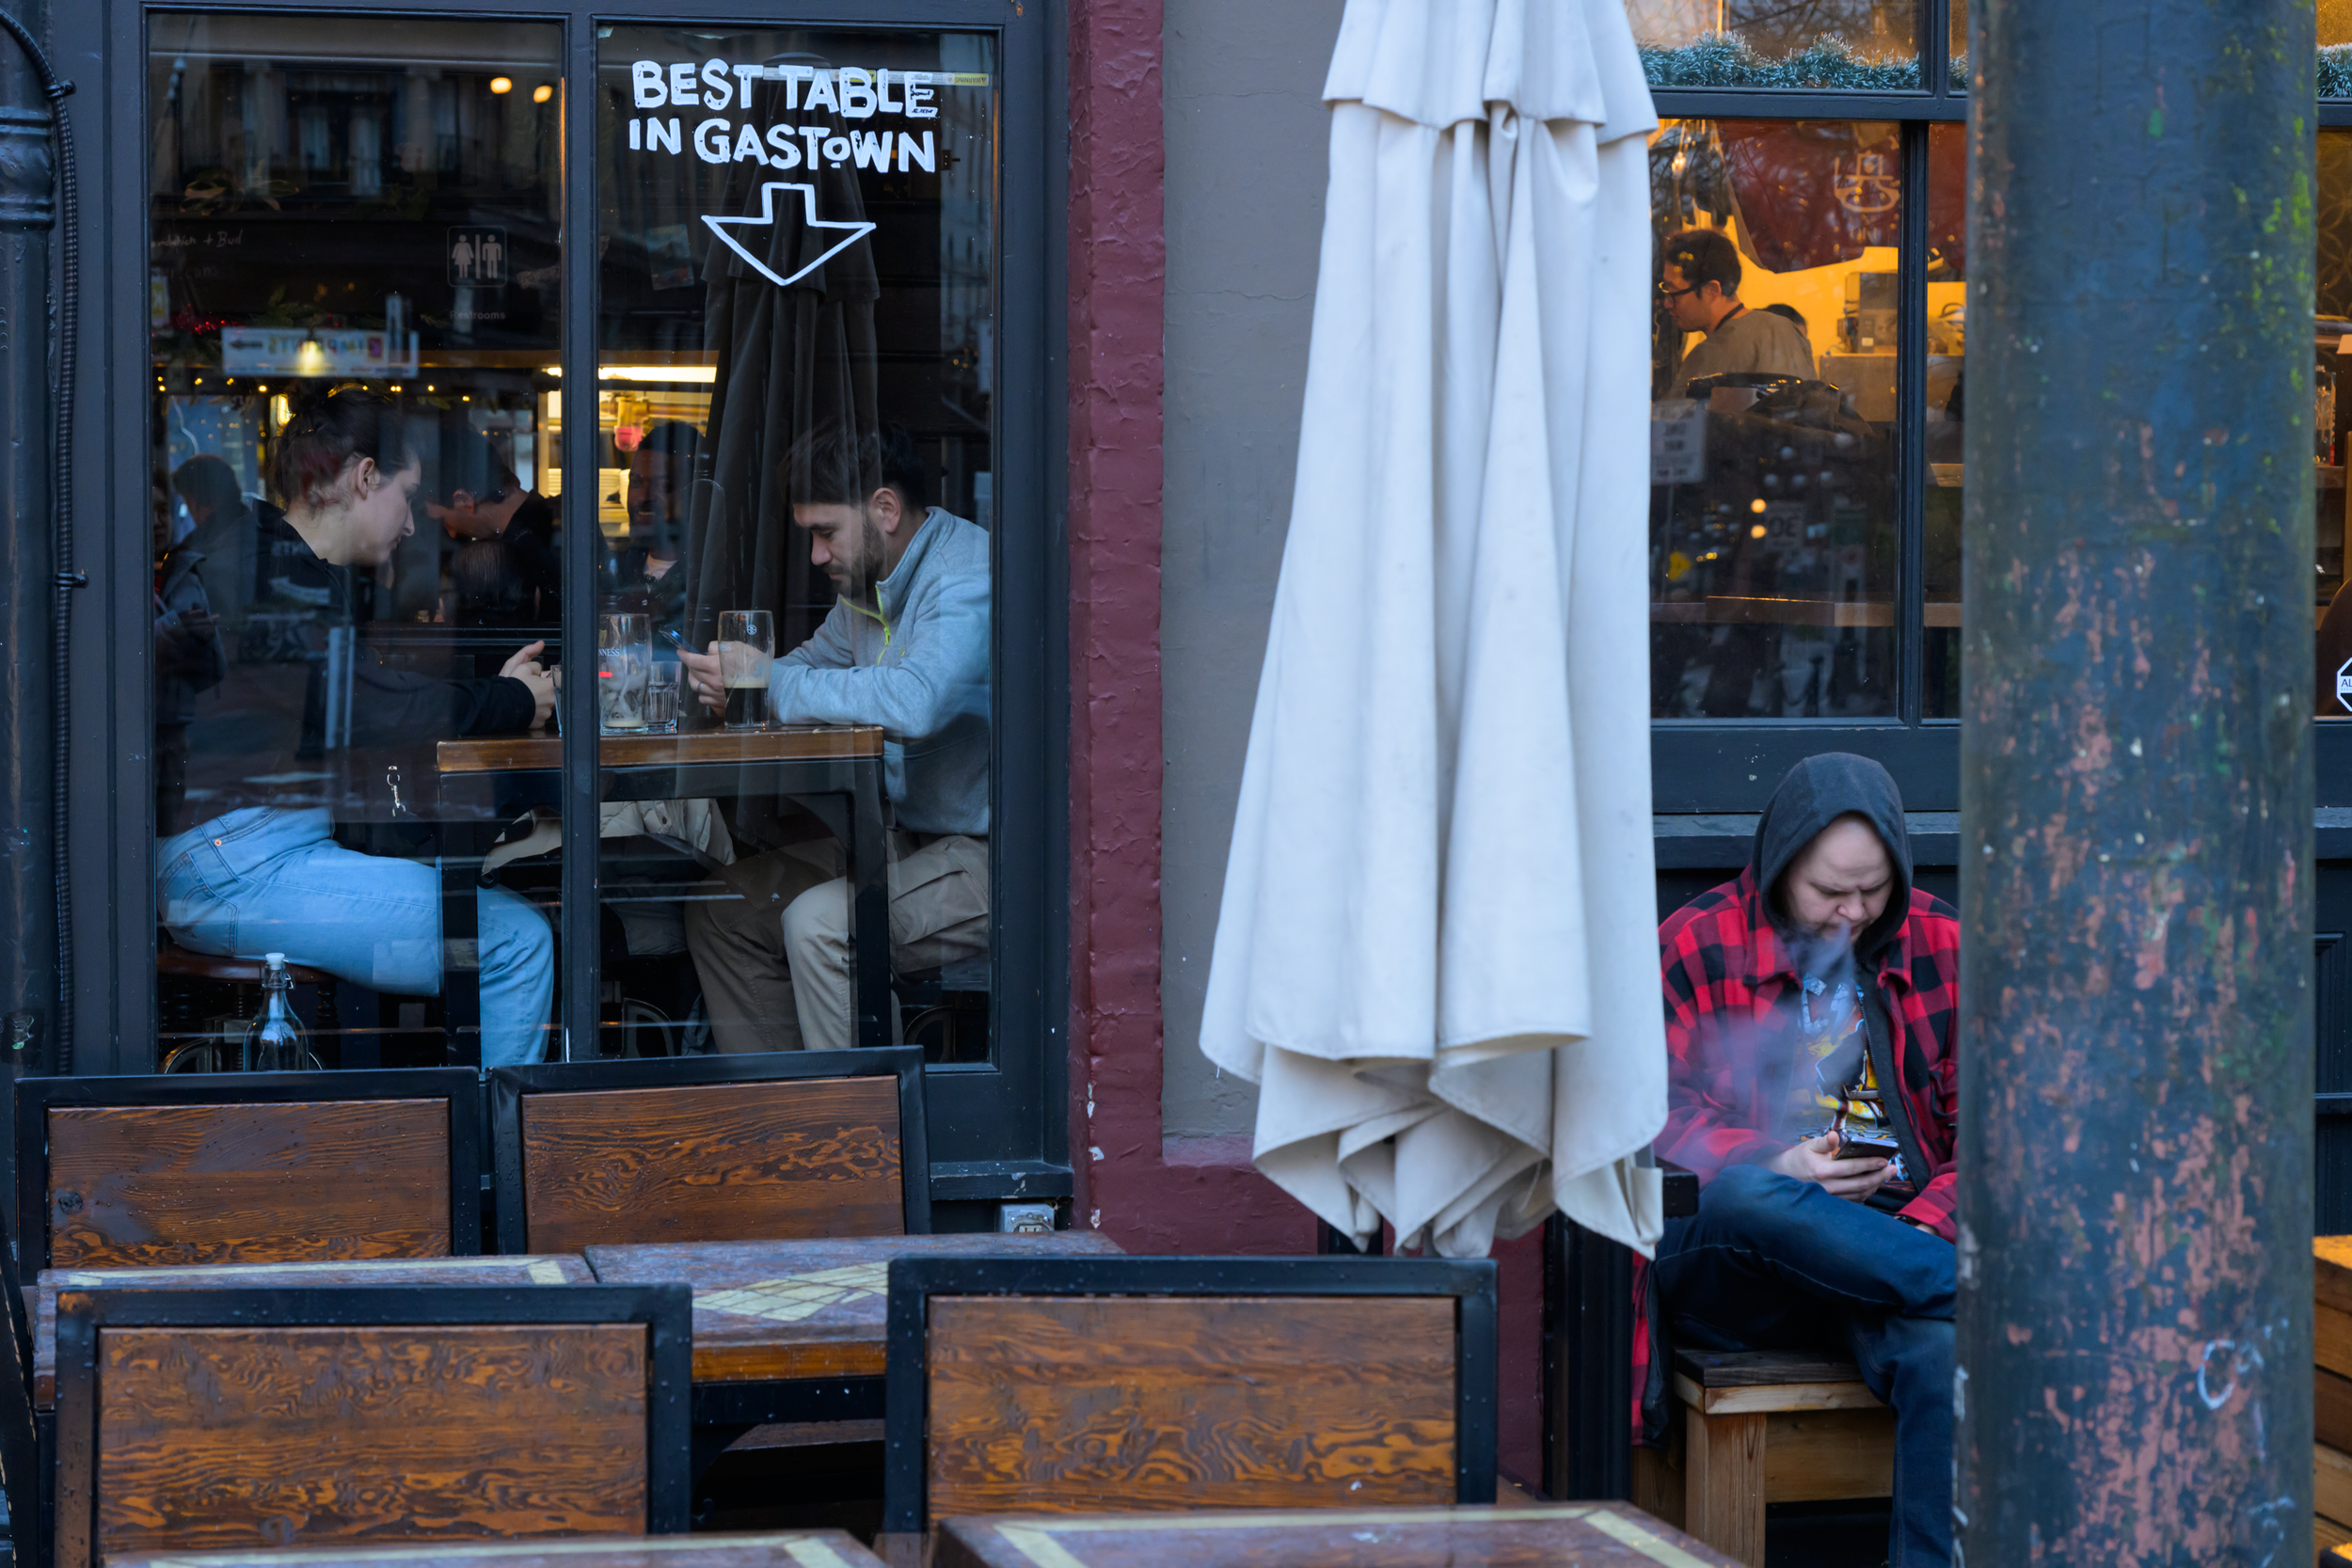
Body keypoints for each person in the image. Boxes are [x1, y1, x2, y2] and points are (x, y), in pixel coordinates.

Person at [155, 387, 558, 1069]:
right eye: (406, 494)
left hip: (231, 853)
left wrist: (499, 692)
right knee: (518, 942)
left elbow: (359, 701)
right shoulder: (269, 573)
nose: (409, 525)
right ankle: (494, 1167)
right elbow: (371, 708)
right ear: (364, 477)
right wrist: (513, 699)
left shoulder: (264, 555)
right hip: (236, 865)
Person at [1645, 752, 1959, 1568]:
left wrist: (1925, 1227)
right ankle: (1983, 1290)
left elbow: (2003, 1135)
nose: (1853, 912)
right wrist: (1781, 1160)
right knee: (1749, 1196)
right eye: (1829, 891)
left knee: (1942, 1352)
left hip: (1891, 1250)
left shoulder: (1944, 942)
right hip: (1748, 1260)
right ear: (1780, 866)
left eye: (1874, 888)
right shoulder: (1694, 944)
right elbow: (1650, 1122)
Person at [678, 421, 989, 1053]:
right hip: (902, 839)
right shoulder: (869, 589)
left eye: (826, 532)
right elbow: (799, 667)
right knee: (721, 910)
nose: (817, 555)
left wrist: (764, 684)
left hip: (991, 855)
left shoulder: (963, 578)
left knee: (820, 924)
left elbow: (915, 700)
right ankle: (785, 1117)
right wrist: (750, 679)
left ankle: (862, 1140)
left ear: (885, 508)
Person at [1659, 227, 1817, 394]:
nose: (1667, 303)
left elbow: (1669, 418)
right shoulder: (1785, 329)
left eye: (1673, 292)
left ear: (1711, 291)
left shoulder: (1705, 357)